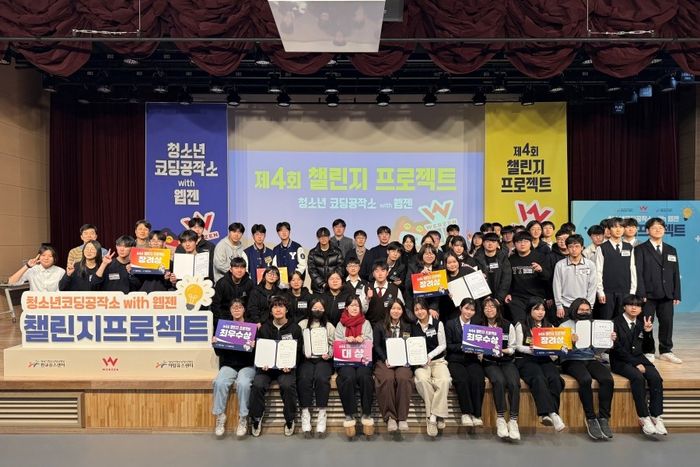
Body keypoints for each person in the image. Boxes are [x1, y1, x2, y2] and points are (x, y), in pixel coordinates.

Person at [559, 298, 616, 440]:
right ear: (574, 310)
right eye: (581, 310)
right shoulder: (564, 325)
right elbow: (559, 352)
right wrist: (569, 342)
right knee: (585, 379)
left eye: (587, 310)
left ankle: (604, 418)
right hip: (571, 360)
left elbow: (596, 351)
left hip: (590, 359)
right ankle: (590, 418)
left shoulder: (593, 325)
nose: (584, 312)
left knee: (607, 379)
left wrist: (608, 341)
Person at [610, 294, 667, 436]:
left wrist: (648, 333)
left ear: (641, 309)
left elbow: (648, 348)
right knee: (638, 378)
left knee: (655, 377)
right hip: (620, 361)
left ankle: (656, 416)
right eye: (631, 305)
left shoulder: (642, 323)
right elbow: (617, 349)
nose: (634, 308)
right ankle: (643, 417)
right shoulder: (614, 323)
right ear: (624, 307)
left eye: (638, 305)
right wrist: (636, 364)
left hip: (639, 358)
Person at [249, 296, 303, 437]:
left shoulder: (295, 329)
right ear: (271, 310)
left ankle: (290, 419)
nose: (278, 309)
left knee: (287, 385)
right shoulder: (264, 328)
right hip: (266, 369)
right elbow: (259, 350)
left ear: (286, 309)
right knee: (257, 384)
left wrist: (291, 365)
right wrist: (262, 363)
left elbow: (298, 352)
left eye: (281, 306)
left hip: (286, 369)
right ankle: (256, 417)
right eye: (274, 306)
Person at [513, 297, 566, 431]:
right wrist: (532, 349)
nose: (540, 312)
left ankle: (549, 414)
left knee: (555, 379)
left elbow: (554, 350)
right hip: (526, 359)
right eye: (536, 309)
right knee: (538, 378)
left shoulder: (550, 326)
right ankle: (550, 413)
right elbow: (517, 346)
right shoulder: (521, 325)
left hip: (544, 359)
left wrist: (558, 351)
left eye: (543, 309)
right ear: (530, 310)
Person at [635, 217, 682, 363]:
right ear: (647, 231)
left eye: (661, 228)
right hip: (648, 295)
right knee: (646, 323)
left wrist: (676, 294)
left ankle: (666, 350)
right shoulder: (640, 249)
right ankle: (647, 350)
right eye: (654, 228)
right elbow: (638, 273)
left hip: (667, 294)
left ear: (665, 230)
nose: (658, 230)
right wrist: (641, 293)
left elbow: (675, 273)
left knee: (667, 323)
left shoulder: (671, 249)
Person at [211, 299, 256, 438]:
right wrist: (215, 344)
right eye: (233, 307)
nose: (236, 309)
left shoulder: (252, 327)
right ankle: (220, 416)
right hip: (229, 365)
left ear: (244, 309)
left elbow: (256, 354)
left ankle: (243, 418)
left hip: (247, 365)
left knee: (243, 384)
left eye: (239, 307)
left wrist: (253, 346)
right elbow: (219, 353)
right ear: (230, 310)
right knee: (219, 382)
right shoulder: (224, 327)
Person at [478, 298, 521, 441]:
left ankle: (513, 420)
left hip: (506, 361)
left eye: (492, 306)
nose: (489, 309)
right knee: (499, 381)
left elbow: (513, 347)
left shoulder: (508, 325)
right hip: (489, 362)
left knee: (514, 383)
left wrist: (503, 351)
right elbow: (476, 347)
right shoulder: (479, 326)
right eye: (486, 307)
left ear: (497, 309)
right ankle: (501, 418)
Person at [334, 296, 375, 438]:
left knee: (365, 377)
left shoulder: (366, 322)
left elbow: (370, 340)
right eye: (351, 305)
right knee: (348, 377)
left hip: (363, 360)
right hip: (345, 361)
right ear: (346, 307)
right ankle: (349, 414)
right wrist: (346, 340)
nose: (354, 308)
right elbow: (337, 342)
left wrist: (363, 339)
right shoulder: (340, 324)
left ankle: (366, 413)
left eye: (357, 306)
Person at [372, 299, 414, 435]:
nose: (396, 311)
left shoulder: (407, 326)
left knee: (404, 378)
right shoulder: (379, 325)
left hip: (402, 362)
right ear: (389, 310)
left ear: (402, 311)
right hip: (384, 361)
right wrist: (385, 358)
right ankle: (390, 417)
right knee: (387, 378)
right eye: (393, 308)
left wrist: (406, 359)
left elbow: (410, 345)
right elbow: (377, 345)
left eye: (399, 309)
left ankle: (402, 418)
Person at [412, 298, 450, 438]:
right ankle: (436, 414)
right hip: (420, 364)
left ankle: (432, 415)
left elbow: (443, 345)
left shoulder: (438, 323)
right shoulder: (412, 327)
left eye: (422, 308)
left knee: (445, 380)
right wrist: (418, 359)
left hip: (438, 361)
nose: (419, 312)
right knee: (422, 381)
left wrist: (429, 355)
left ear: (427, 309)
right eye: (416, 310)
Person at [297, 298, 335, 438]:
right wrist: (304, 351)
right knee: (304, 378)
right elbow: (297, 344)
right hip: (306, 360)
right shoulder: (302, 324)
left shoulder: (329, 326)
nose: (317, 310)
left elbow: (333, 344)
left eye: (320, 308)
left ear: (324, 310)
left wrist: (329, 353)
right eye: (315, 308)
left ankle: (322, 413)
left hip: (323, 360)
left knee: (321, 378)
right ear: (310, 309)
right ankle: (305, 412)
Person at [445, 298, 485, 428]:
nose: (469, 312)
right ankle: (466, 413)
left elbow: (483, 343)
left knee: (478, 379)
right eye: (466, 308)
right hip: (455, 359)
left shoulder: (478, 324)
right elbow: (448, 345)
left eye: (472, 310)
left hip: (472, 359)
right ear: (460, 308)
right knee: (462, 379)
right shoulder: (450, 324)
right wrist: (462, 346)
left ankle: (477, 414)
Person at [595, 217, 636, 320]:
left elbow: (633, 270)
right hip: (607, 292)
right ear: (609, 230)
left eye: (621, 227)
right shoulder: (602, 248)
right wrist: (600, 291)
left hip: (625, 291)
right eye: (614, 227)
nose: (618, 230)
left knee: (622, 321)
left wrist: (632, 291)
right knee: (606, 320)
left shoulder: (629, 247)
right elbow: (598, 271)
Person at [505, 231, 550, 323]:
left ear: (530, 243)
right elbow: (507, 279)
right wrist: (508, 293)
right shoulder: (510, 260)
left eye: (526, 241)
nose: (522, 244)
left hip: (536, 297)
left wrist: (541, 270)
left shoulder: (540, 257)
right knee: (520, 323)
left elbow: (548, 277)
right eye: (519, 242)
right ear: (514, 244)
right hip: (517, 298)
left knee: (536, 323)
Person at [552, 234, 597, 324]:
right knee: (566, 330)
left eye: (577, 246)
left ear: (582, 248)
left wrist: (590, 306)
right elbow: (557, 286)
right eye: (571, 247)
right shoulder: (560, 265)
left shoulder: (590, 264)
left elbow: (592, 286)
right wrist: (559, 305)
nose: (574, 249)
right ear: (567, 248)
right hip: (565, 305)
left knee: (583, 330)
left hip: (584, 307)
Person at [211, 257, 255, 327]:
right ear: (231, 270)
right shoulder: (222, 283)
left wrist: (246, 320)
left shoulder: (249, 283)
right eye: (236, 268)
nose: (239, 270)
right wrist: (222, 322)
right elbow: (216, 305)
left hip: (243, 318)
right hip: (224, 318)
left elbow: (251, 305)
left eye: (242, 268)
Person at [474, 232, 512, 306]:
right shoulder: (476, 259)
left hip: (499, 298)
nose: (490, 244)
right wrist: (485, 297)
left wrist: (499, 299)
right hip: (482, 298)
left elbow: (506, 279)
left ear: (497, 244)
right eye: (487, 241)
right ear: (483, 243)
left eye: (493, 242)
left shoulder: (503, 258)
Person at [404, 244, 441, 315]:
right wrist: (419, 276)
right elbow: (407, 286)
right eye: (426, 254)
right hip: (414, 305)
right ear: (421, 255)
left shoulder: (439, 268)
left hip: (432, 306)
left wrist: (432, 308)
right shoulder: (413, 267)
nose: (429, 256)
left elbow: (439, 292)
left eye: (432, 254)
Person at [308, 227, 344, 294]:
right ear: (317, 238)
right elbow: (312, 270)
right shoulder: (312, 253)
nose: (323, 239)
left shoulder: (337, 252)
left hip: (334, 288)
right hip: (318, 289)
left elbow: (340, 268)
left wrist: (332, 282)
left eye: (325, 236)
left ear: (329, 237)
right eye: (321, 237)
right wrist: (322, 284)